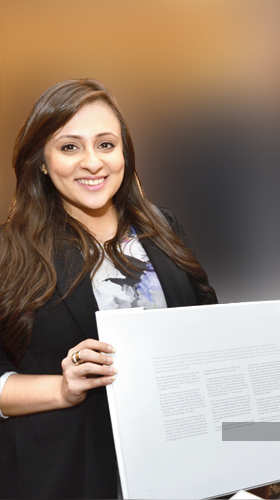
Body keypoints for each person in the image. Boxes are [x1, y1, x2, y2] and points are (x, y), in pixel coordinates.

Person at [0, 80, 217, 498]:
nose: (92, 163)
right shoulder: (10, 252)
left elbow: (208, 326)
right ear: (41, 162)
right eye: (69, 147)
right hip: (69, 476)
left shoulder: (163, 228)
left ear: (124, 154)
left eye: (105, 144)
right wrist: (62, 389)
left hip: (180, 465)